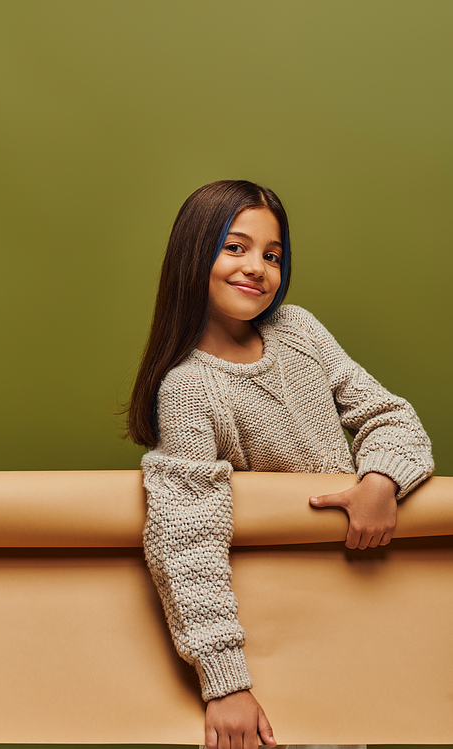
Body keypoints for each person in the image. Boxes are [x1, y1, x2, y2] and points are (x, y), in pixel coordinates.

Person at [127, 180, 434, 749]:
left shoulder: (298, 331)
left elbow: (389, 415)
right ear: (194, 254)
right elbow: (185, 540)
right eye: (236, 247)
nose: (258, 268)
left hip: (352, 602)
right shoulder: (190, 389)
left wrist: (381, 479)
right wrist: (225, 685)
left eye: (273, 255)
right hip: (271, 627)